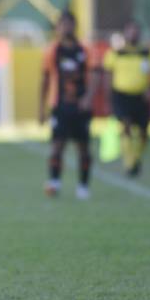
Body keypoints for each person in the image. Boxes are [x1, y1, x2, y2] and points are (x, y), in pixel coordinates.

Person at [38, 11, 96, 199]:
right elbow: (45, 79)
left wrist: (88, 97)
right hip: (60, 106)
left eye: (69, 24)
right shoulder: (52, 51)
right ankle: (54, 181)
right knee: (57, 146)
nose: (65, 28)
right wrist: (41, 108)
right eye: (62, 24)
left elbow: (95, 75)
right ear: (58, 27)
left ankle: (83, 186)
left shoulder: (85, 49)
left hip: (81, 108)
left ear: (74, 26)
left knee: (83, 148)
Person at [102, 21, 150, 177]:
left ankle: (136, 157)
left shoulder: (148, 52)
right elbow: (108, 75)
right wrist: (108, 98)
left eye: (136, 31)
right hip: (122, 95)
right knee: (126, 126)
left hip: (142, 96)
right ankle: (129, 163)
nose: (133, 34)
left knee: (144, 133)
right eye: (130, 31)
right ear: (125, 33)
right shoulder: (116, 53)